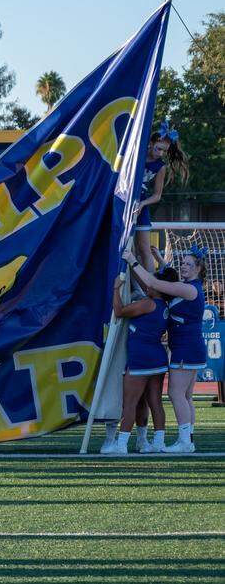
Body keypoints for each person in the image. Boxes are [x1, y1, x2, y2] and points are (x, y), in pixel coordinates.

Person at [126, 246, 206, 453]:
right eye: (183, 263)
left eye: (189, 264)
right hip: (191, 347)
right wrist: (160, 260)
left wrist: (131, 259)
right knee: (186, 397)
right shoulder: (189, 286)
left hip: (185, 349)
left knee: (175, 393)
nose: (184, 266)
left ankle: (184, 442)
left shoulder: (189, 289)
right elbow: (171, 277)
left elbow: (153, 283)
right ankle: (188, 439)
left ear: (198, 268)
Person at [105, 273, 171, 454]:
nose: (148, 285)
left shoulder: (148, 304)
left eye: (152, 283)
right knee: (155, 403)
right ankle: (158, 443)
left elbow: (119, 311)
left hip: (141, 359)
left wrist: (116, 288)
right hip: (157, 358)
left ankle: (121, 445)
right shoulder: (163, 305)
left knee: (130, 403)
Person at [134, 122, 189, 274]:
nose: (160, 153)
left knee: (144, 248)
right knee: (126, 249)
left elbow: (157, 196)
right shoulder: (136, 154)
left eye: (164, 151)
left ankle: (152, 289)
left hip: (141, 204)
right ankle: (134, 288)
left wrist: (142, 203)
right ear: (151, 143)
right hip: (124, 200)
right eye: (158, 149)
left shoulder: (161, 166)